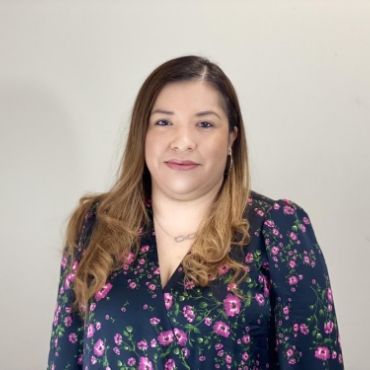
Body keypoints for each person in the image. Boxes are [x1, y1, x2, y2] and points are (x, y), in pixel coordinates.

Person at [47, 55, 344, 370]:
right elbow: (64, 359)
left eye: (204, 123)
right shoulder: (96, 225)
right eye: (164, 122)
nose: (184, 141)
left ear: (232, 136)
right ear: (142, 133)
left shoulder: (277, 229)